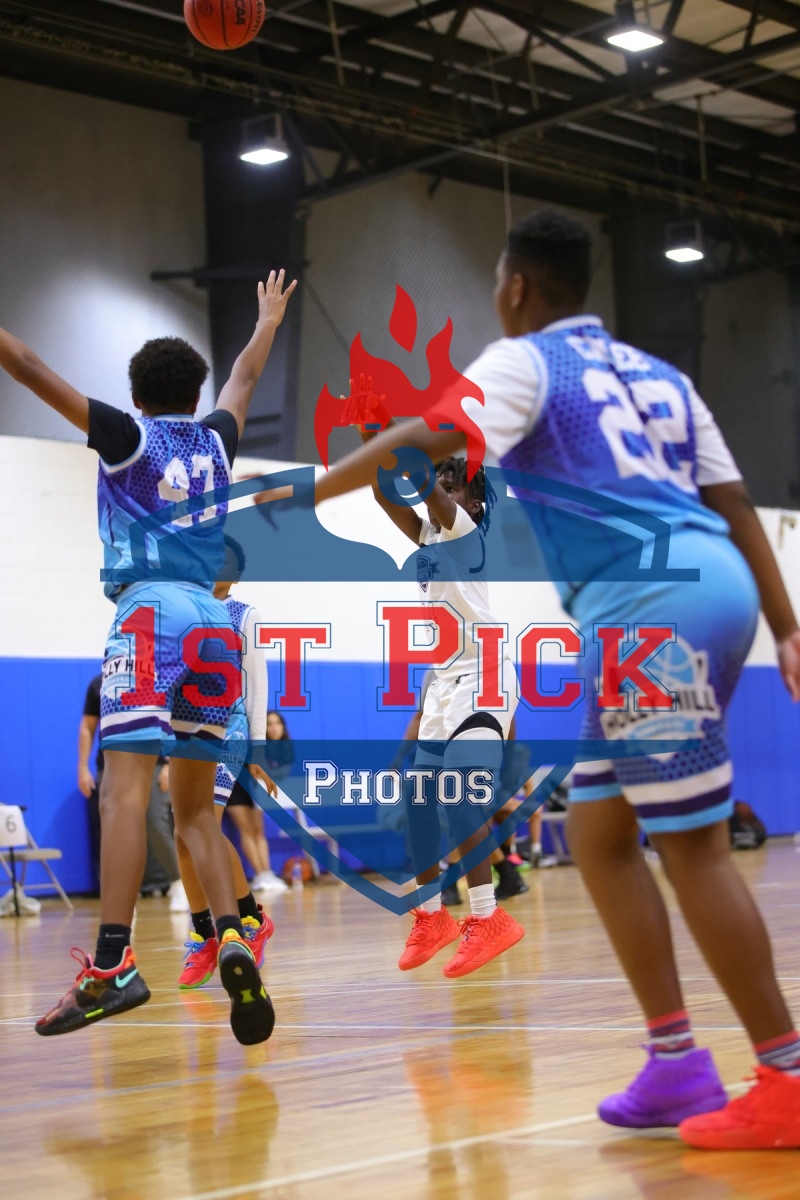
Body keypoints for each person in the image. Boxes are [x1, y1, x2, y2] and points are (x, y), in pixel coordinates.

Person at [313, 212, 800, 1149]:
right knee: (599, 831)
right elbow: (735, 501)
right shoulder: (663, 376)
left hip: (648, 610)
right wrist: (787, 628)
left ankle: (785, 1073)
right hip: (711, 588)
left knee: (693, 849)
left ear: (516, 288)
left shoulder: (527, 361)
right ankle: (675, 1062)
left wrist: (305, 488)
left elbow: (424, 443)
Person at [1, 267, 295, 1045]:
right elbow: (245, 377)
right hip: (214, 627)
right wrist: (266, 322)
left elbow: (27, 365)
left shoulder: (127, 438)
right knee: (196, 810)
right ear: (195, 396)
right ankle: (232, 933)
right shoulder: (218, 440)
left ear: (135, 398)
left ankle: (112, 965)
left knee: (124, 794)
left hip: (151, 616)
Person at [342, 386, 525, 978]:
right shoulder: (429, 538)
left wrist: (389, 429)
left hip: (485, 673)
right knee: (419, 800)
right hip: (446, 678)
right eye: (442, 479)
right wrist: (371, 438)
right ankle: (431, 916)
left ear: (472, 497)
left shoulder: (465, 529)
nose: (443, 486)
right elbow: (383, 491)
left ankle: (488, 917)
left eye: (453, 481)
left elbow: (419, 480)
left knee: (461, 793)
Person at [176, 537, 278, 989]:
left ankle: (243, 922)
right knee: (183, 836)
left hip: (230, 730)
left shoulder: (243, 616)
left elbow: (257, 684)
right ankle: (206, 932)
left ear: (235, 573)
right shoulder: (185, 612)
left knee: (205, 825)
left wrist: (257, 748)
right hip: (187, 730)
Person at [78, 672, 189, 909]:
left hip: (152, 762)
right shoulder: (99, 683)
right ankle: (122, 892)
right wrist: (82, 768)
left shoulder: (156, 680)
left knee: (156, 824)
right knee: (115, 827)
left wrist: (169, 764)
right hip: (111, 764)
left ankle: (179, 883)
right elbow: (87, 726)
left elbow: (171, 722)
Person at [225, 710, 291, 895]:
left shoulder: (285, 749)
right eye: (269, 724)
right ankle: (260, 874)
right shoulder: (256, 747)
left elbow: (278, 775)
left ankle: (267, 873)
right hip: (235, 785)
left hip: (255, 789)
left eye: (277, 723)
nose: (274, 728)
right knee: (247, 829)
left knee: (258, 830)